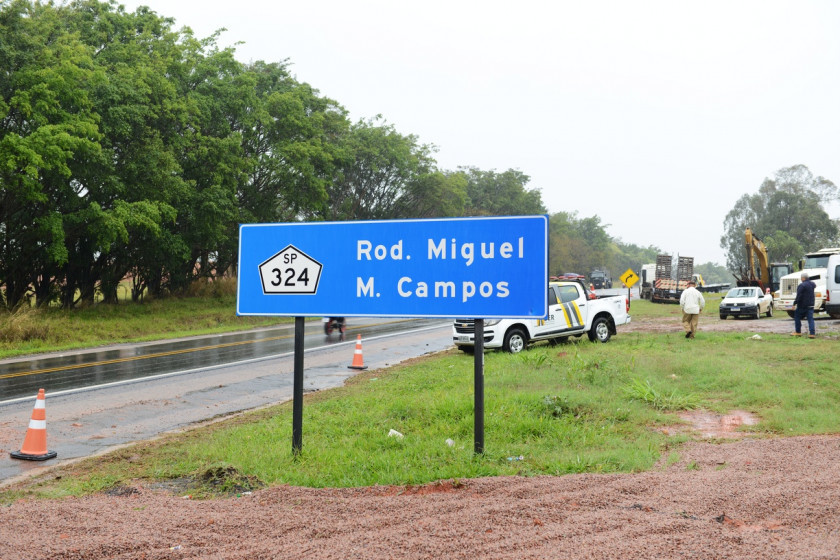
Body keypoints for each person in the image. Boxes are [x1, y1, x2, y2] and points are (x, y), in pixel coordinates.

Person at [792, 272, 816, 338]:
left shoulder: (802, 285)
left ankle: (798, 332)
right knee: (810, 319)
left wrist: (795, 303)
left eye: (801, 278)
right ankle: (812, 333)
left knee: (797, 316)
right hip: (811, 304)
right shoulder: (812, 284)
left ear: (803, 278)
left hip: (802, 305)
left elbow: (799, 295)